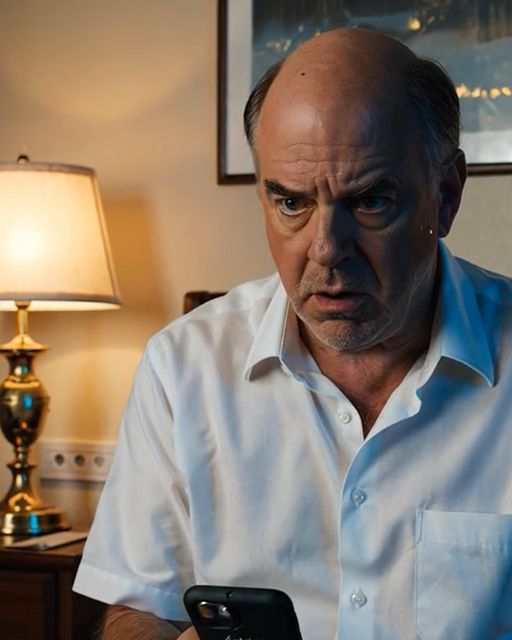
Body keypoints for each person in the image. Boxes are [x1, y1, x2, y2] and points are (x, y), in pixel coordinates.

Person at [73, 27, 512, 640]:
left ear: (446, 194)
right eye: (290, 203)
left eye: (370, 202)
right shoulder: (183, 366)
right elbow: (135, 609)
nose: (326, 250)